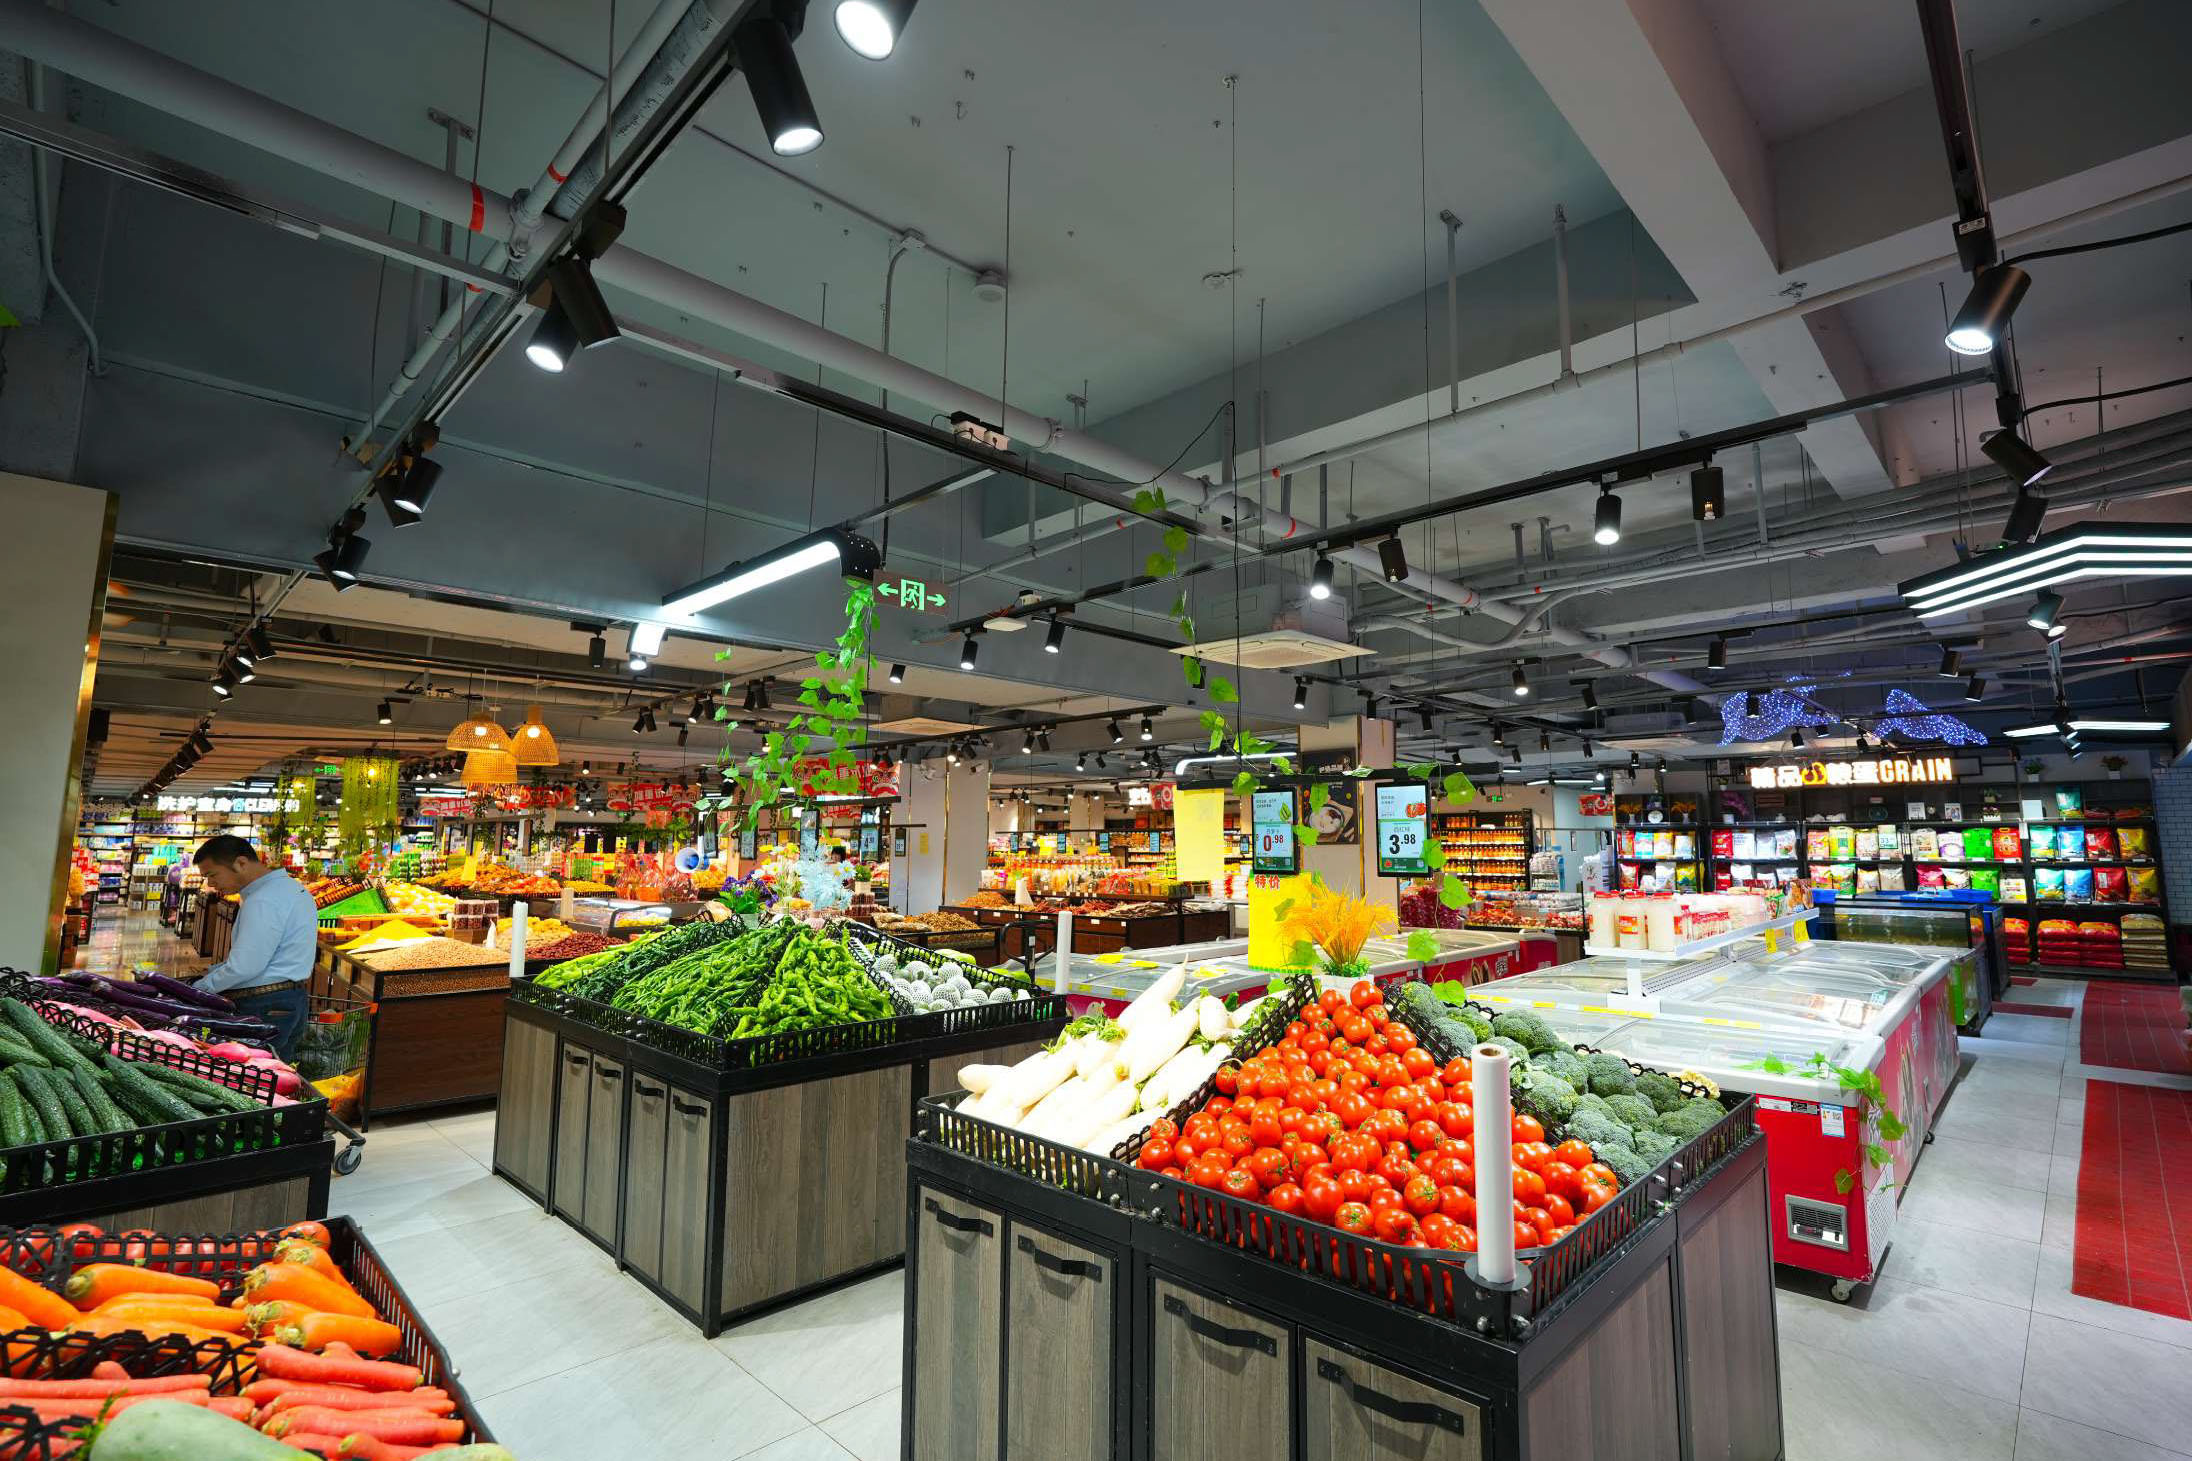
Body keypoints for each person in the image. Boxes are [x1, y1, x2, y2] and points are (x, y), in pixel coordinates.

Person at [190, 835, 317, 1059]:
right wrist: (216, 970)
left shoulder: (263, 900)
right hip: (289, 1000)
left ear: (241, 863)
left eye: (212, 875)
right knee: (276, 1068)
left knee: (252, 1073)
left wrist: (200, 990)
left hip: (264, 1005)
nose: (210, 884)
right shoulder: (291, 888)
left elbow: (245, 967)